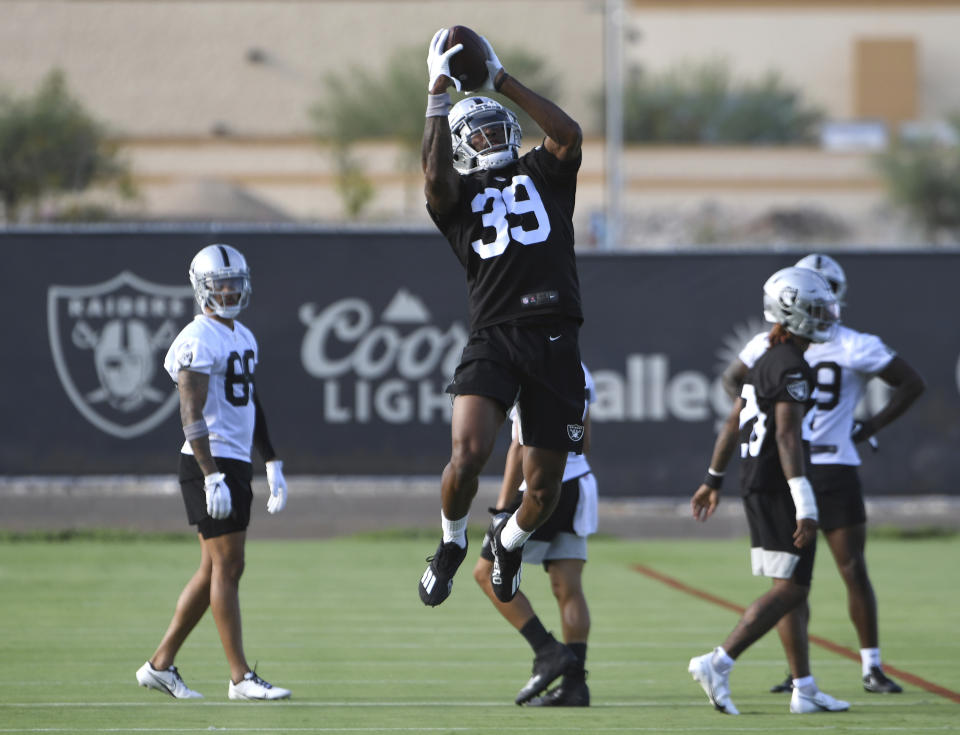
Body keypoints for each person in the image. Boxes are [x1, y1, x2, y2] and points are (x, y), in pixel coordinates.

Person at [418, 28, 586, 608]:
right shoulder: (456, 197)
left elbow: (568, 134)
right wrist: (438, 93)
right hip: (494, 335)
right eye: (477, 132)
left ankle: (508, 542)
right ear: (461, 146)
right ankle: (450, 542)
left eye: (496, 126)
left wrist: (501, 80)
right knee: (467, 454)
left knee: (541, 491)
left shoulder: (544, 172)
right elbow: (434, 179)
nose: (489, 136)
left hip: (555, 336)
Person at [720, 253, 925, 695]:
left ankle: (869, 664)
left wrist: (868, 425)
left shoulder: (853, 344)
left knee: (848, 567)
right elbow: (734, 384)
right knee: (791, 581)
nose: (823, 309)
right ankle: (800, 675)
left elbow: (911, 382)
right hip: (792, 470)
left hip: (831, 466)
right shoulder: (774, 345)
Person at [688, 266, 850, 716]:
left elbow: (733, 420)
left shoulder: (764, 359)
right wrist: (806, 502)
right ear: (791, 312)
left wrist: (712, 478)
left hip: (755, 479)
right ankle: (718, 662)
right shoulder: (792, 365)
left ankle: (804, 687)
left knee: (791, 585)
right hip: (778, 485)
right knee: (794, 589)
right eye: (816, 310)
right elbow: (786, 437)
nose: (825, 317)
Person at [135, 244, 291, 701]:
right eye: (220, 282)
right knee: (228, 565)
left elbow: (249, 402)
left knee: (214, 570)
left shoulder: (242, 335)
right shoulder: (199, 337)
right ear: (202, 288)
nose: (229, 289)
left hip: (235, 460)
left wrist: (271, 459)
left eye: (235, 281)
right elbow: (190, 412)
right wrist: (209, 474)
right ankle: (240, 677)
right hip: (211, 460)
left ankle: (160, 665)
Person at [473, 363, 597, 706]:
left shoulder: (526, 368)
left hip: (538, 491)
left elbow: (518, 446)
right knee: (567, 586)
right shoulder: (581, 370)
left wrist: (501, 511)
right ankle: (574, 685)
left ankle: (547, 651)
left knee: (484, 573)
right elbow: (585, 439)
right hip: (579, 484)